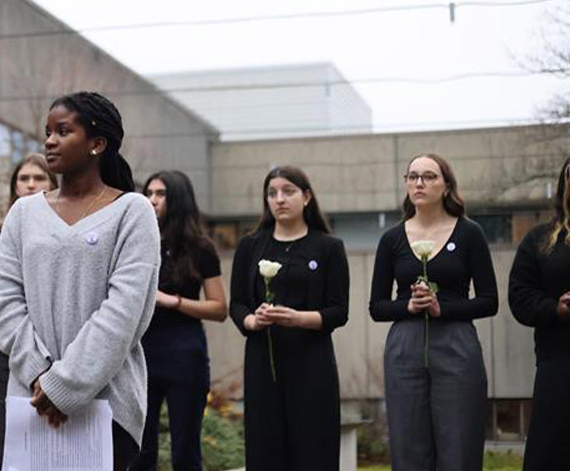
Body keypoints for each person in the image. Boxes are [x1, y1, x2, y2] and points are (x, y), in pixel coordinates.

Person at [0, 91, 160, 471]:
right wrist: (39, 374)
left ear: (97, 143)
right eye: (47, 132)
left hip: (106, 406)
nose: (49, 141)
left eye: (63, 131)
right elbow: (2, 302)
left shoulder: (133, 211)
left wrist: (64, 385)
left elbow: (124, 312)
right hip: (29, 403)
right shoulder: (23, 213)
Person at [370, 153, 497, 471]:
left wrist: (444, 309)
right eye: (412, 177)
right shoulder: (391, 239)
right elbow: (377, 307)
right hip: (404, 347)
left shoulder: (469, 233)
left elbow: (489, 300)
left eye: (428, 176)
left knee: (459, 444)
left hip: (456, 344)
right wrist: (409, 306)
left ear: (446, 185)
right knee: (409, 447)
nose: (419, 183)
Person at [229, 166, 349, 471]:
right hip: (263, 362)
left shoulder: (328, 247)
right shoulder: (250, 246)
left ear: (307, 197)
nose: (279, 199)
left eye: (288, 191)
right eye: (272, 193)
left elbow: (338, 311)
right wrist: (252, 322)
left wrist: (299, 318)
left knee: (314, 451)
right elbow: (238, 304)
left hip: (312, 365)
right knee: (265, 450)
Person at [130, 170, 227, 471]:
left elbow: (219, 308)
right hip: (140, 355)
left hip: (185, 354)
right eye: (149, 193)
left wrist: (174, 301)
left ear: (178, 200)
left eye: (160, 194)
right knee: (139, 451)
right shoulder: (135, 241)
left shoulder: (200, 247)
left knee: (185, 451)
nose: (152, 200)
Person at [0, 154, 57, 471]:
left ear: (53, 184)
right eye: (23, 179)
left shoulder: (62, 230)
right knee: (7, 431)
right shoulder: (0, 234)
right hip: (8, 343)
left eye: (38, 178)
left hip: (53, 338)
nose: (29, 185)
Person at [508, 155, 570, 470]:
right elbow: (520, 295)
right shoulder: (541, 239)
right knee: (553, 452)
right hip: (558, 361)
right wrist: (555, 308)